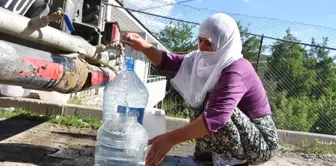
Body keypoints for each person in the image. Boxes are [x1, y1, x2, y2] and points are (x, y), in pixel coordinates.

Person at [122, 13, 279, 166]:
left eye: (209, 42)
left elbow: (217, 118)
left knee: (216, 109)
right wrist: (144, 47)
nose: (202, 46)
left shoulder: (237, 68)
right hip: (240, 132)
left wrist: (170, 139)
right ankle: (210, 157)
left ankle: (234, 161)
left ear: (225, 42)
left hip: (261, 141)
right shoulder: (200, 60)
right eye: (200, 40)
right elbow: (169, 61)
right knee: (200, 100)